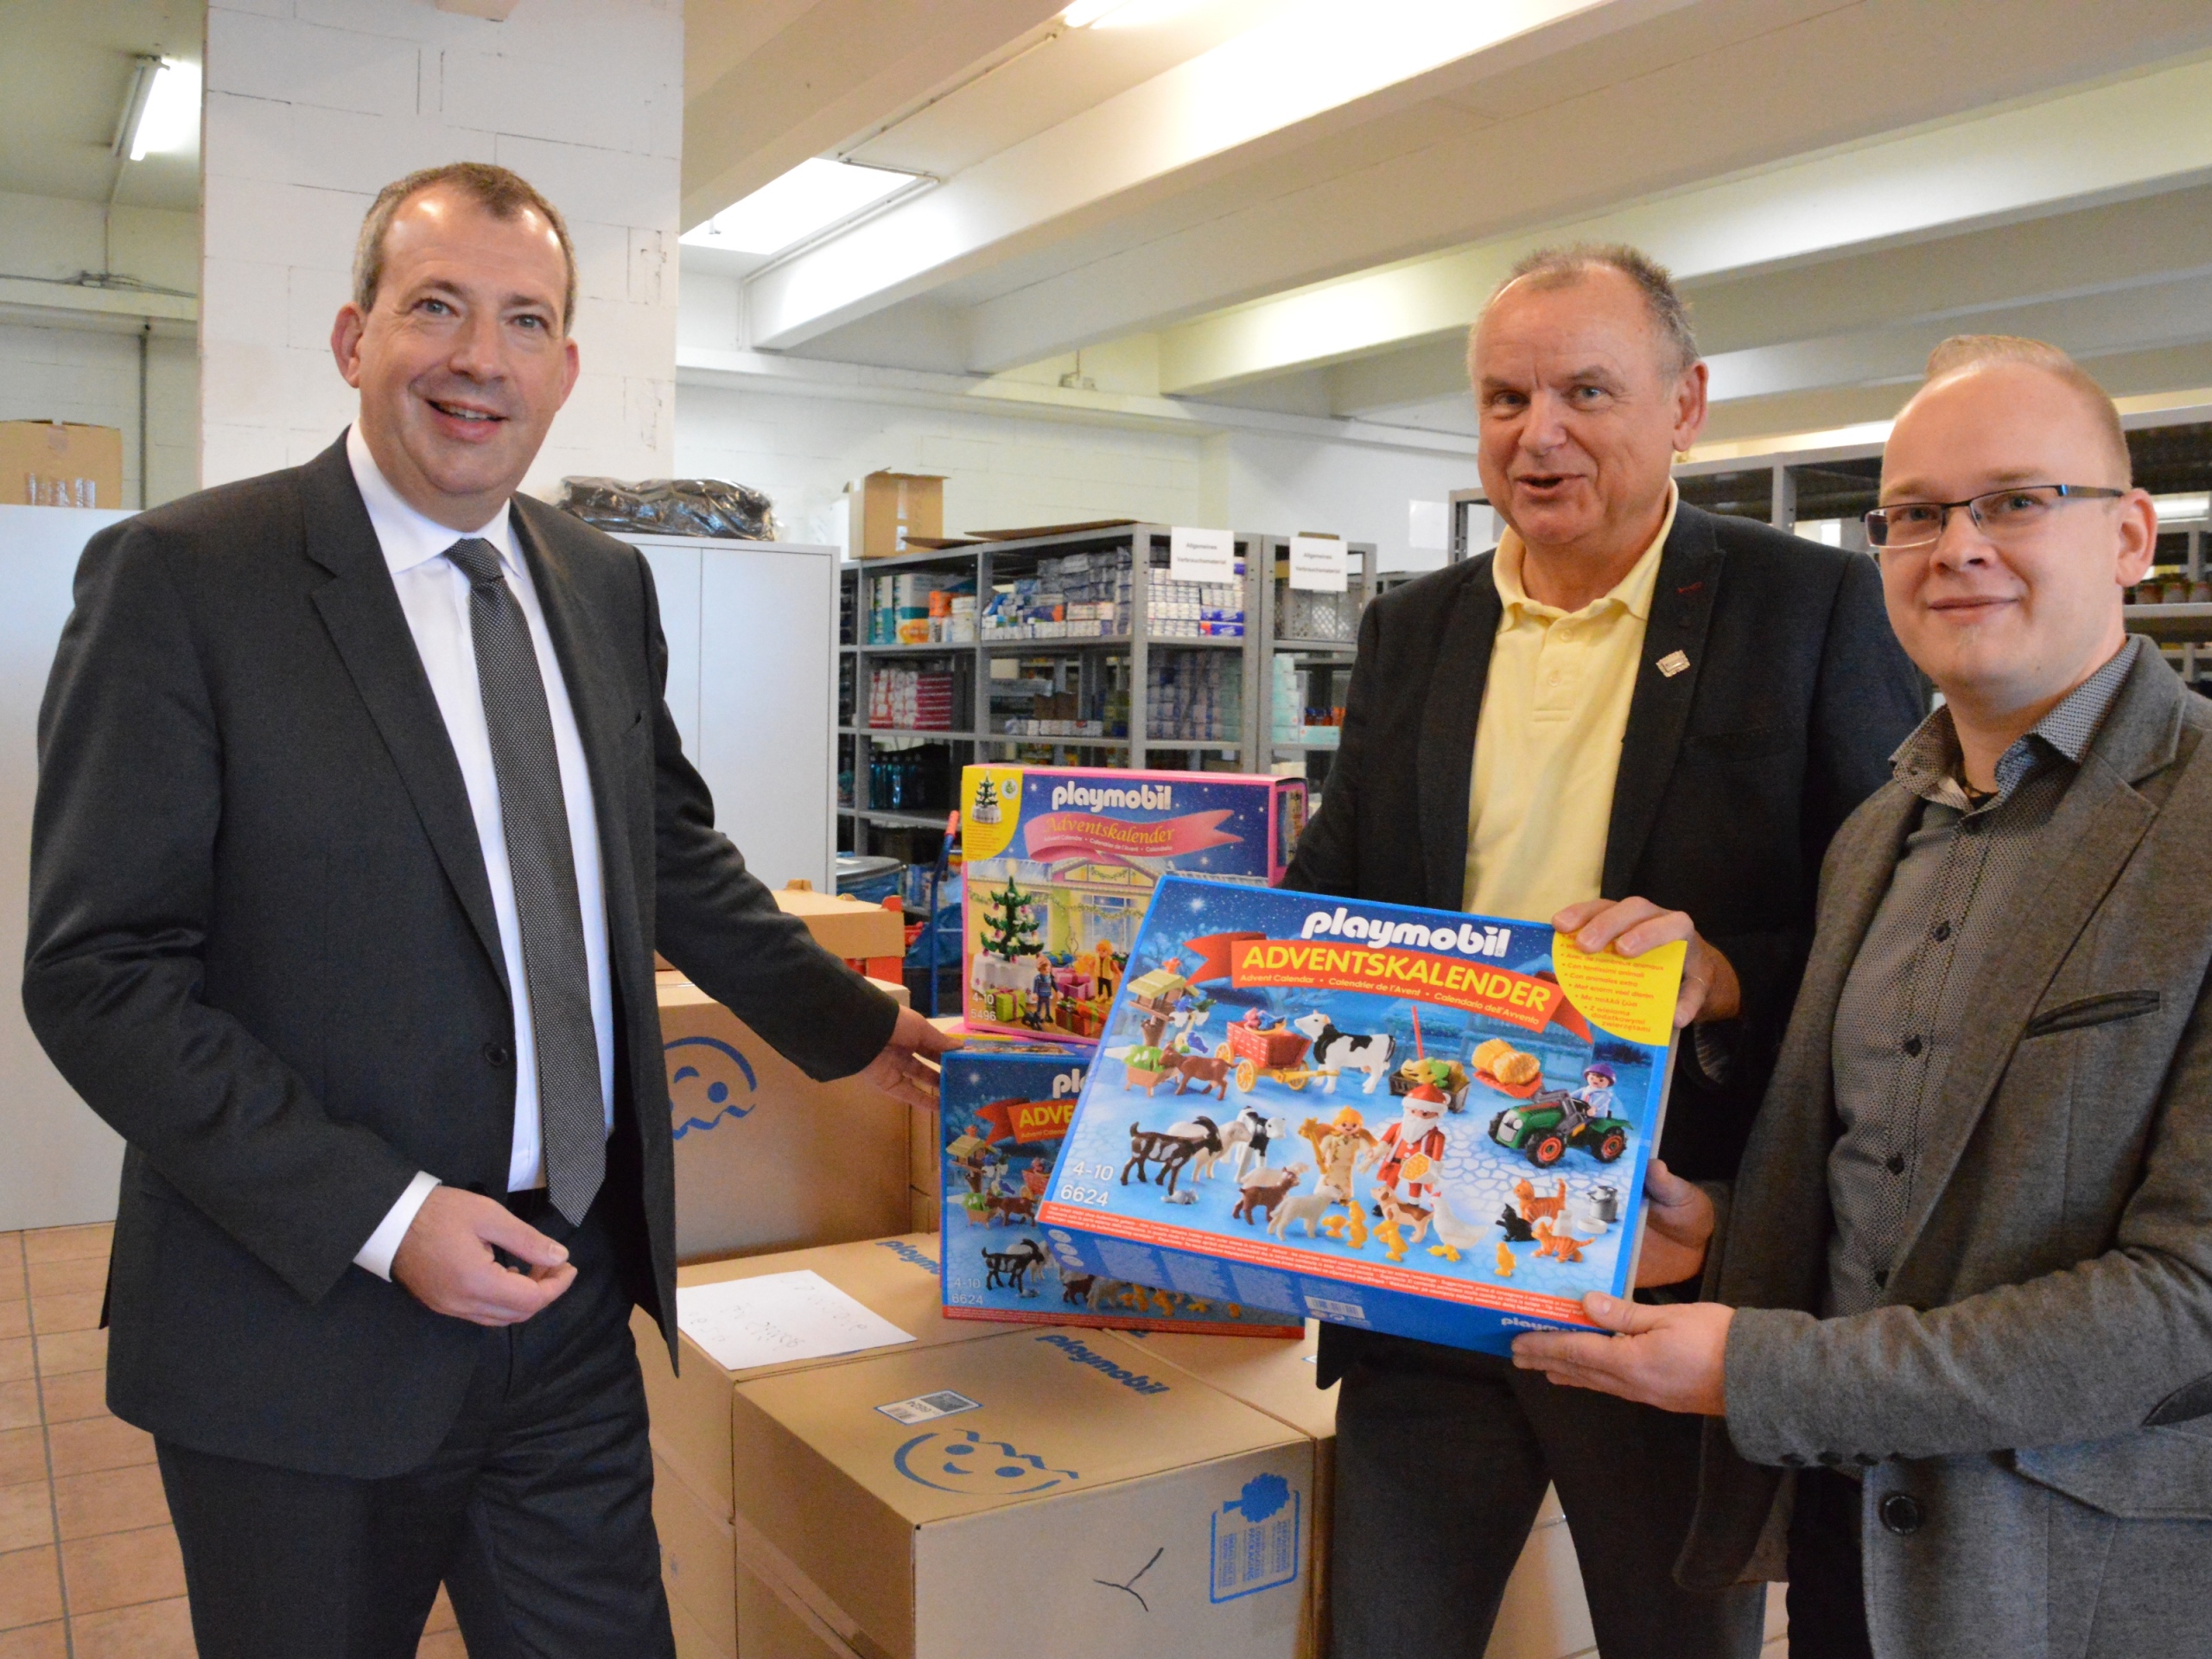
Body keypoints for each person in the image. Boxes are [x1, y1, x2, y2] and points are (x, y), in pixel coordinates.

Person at [22, 162, 949, 1658]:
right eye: (435, 308)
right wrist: (388, 1222)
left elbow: (666, 853)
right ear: (353, 335)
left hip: (567, 1302)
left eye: (524, 322)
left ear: (566, 368)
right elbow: (98, 976)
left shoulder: (597, 583)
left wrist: (858, 1026)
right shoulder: (187, 581)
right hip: (303, 1326)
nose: (478, 358)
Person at [1512, 335, 2212, 1659]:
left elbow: (2185, 1306)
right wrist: (1714, 1235)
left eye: (2014, 500)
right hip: (1850, 1547)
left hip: (2083, 1576)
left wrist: (1752, 1368)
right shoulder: (1880, 829)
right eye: (1912, 516)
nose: (1955, 547)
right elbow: (1886, 1183)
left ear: (2128, 535)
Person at [1284, 244, 1924, 1658]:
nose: (1540, 432)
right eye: (1505, 397)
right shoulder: (1413, 629)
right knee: (1387, 1631)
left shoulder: (1806, 610)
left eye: (1587, 390)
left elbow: (1904, 914)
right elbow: (1333, 885)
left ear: (1686, 405)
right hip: (1415, 1247)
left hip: (1660, 1257)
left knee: (1670, 1637)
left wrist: (1731, 970)